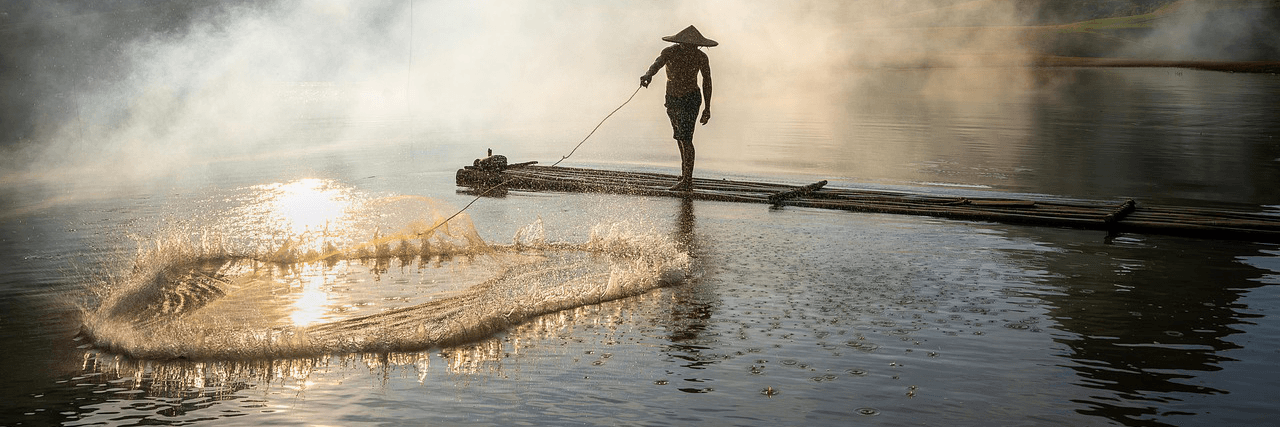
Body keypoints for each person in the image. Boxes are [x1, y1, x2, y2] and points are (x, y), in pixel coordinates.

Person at [640, 25, 715, 192]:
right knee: (679, 137)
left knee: (686, 138)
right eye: (688, 45)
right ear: (680, 44)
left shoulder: (701, 57)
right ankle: (685, 174)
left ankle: (687, 180)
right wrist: (648, 75)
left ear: (698, 46)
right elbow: (657, 65)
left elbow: (707, 81)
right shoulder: (669, 52)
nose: (691, 49)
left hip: (690, 99)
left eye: (694, 46)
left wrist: (707, 108)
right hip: (672, 98)